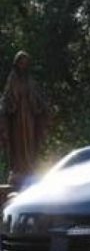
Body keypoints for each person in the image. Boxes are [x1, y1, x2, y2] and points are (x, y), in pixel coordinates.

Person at [0, 51, 49, 188]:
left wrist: (42, 108)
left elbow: (37, 98)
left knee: (31, 143)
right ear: (17, 64)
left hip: (29, 119)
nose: (23, 65)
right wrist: (7, 109)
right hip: (16, 121)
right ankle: (19, 170)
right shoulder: (12, 80)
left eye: (26, 62)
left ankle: (30, 167)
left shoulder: (30, 81)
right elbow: (6, 99)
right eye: (21, 62)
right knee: (18, 145)